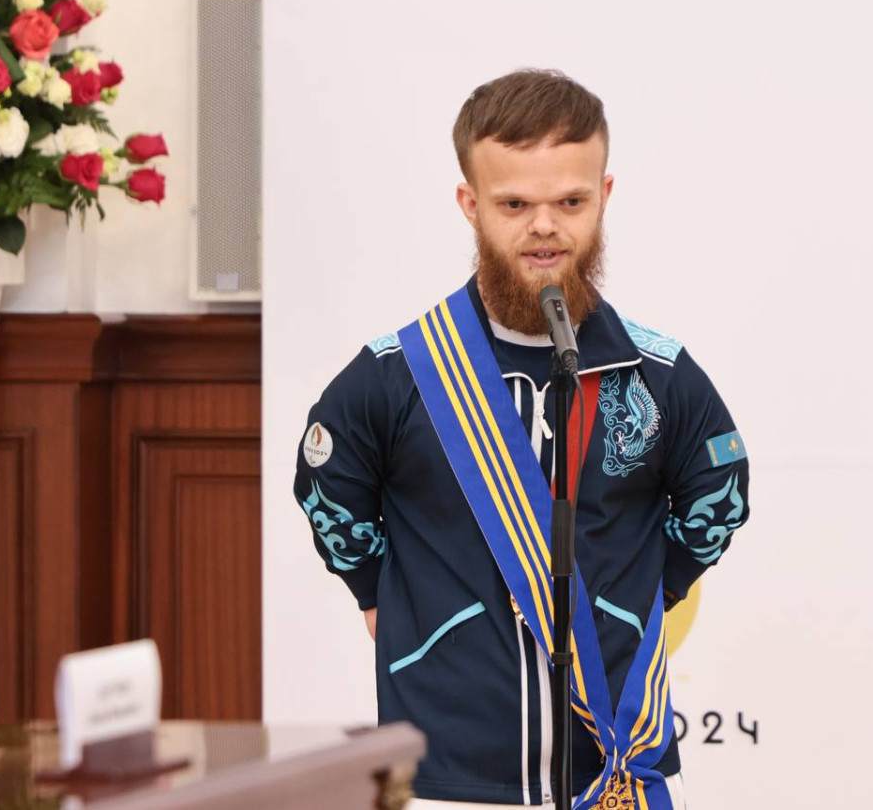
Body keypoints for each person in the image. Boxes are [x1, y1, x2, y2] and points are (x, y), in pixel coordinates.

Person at [294, 69, 750, 809]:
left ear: (604, 196)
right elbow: (327, 486)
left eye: (570, 202)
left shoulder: (660, 375)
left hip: (616, 766)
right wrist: (383, 598)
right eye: (514, 204)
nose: (544, 227)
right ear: (470, 205)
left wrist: (643, 600)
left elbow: (719, 496)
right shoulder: (394, 376)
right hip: (448, 778)